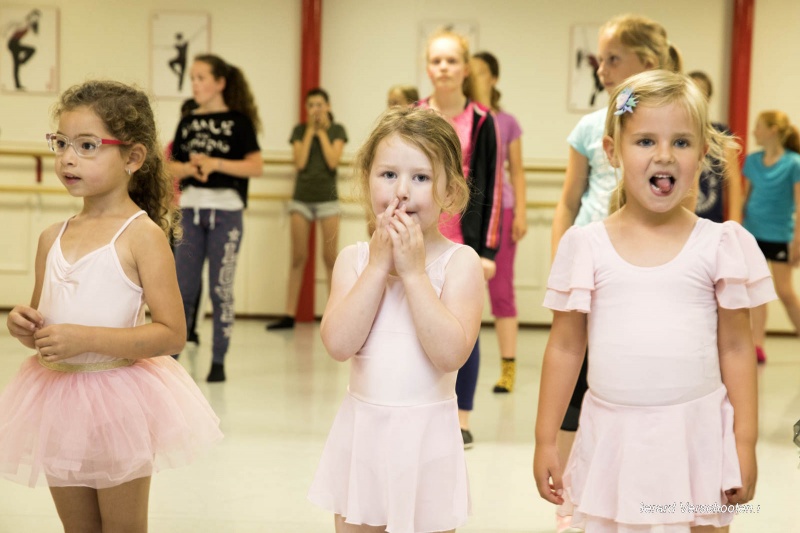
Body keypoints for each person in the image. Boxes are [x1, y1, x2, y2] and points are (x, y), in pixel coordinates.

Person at [534, 69, 775, 533]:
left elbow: (737, 348)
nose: (664, 155)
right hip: (612, 439)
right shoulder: (586, 245)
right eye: (645, 141)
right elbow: (565, 347)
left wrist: (744, 443)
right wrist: (546, 438)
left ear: (703, 155)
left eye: (681, 143)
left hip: (698, 438)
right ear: (612, 151)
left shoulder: (721, 244)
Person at [0, 80, 223, 532]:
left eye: (87, 145)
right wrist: (24, 324)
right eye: (61, 143)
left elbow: (172, 333)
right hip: (56, 398)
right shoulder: (51, 238)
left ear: (133, 158)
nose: (67, 158)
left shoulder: (143, 236)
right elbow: (46, 322)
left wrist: (85, 338)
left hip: (117, 400)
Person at [308, 106, 482, 533]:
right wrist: (376, 268)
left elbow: (450, 355)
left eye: (421, 178)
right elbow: (338, 344)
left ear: (450, 192)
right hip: (363, 436)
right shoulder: (354, 260)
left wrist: (413, 273)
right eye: (388, 175)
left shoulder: (461, 263)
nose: (401, 191)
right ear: (367, 180)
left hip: (427, 442)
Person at [549, 15, 682, 528]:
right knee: (576, 373)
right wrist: (563, 261)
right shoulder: (588, 127)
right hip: (591, 264)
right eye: (600, 59)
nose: (602, 69)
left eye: (612, 58)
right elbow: (568, 199)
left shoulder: (670, 125)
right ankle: (569, 496)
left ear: (646, 62)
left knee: (630, 376)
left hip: (645, 266)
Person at [417, 28, 502, 448]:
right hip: (418, 238)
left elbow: (490, 184)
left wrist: (486, 250)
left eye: (452, 61)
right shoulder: (414, 115)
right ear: (427, 67)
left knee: (462, 328)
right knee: (416, 321)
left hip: (461, 243)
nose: (444, 68)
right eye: (437, 60)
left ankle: (461, 415)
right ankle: (419, 402)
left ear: (465, 69)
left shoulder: (483, 121)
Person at [169, 54, 263, 382]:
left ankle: (218, 360)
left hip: (226, 213)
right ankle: (171, 358)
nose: (194, 84)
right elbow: (170, 165)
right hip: (191, 211)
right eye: (192, 78)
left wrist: (216, 164)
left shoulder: (239, 122)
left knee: (220, 289)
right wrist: (190, 168)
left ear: (220, 83)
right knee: (183, 288)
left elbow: (256, 166)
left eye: (201, 77)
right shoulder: (188, 121)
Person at [469, 50, 527, 393]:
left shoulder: (507, 122)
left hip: (501, 212)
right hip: (465, 213)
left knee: (501, 290)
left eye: (478, 72)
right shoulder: (464, 116)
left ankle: (508, 369)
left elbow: (516, 171)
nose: (472, 77)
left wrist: (520, 212)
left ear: (493, 77)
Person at [267, 88, 348, 331]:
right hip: (301, 199)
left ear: (328, 106)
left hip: (327, 200)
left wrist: (321, 133)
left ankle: (335, 313)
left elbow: (333, 161)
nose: (316, 109)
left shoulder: (337, 130)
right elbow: (300, 162)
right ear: (306, 108)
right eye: (311, 105)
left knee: (330, 257)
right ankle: (289, 315)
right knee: (298, 257)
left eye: (320, 104)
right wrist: (311, 131)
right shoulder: (299, 131)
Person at [741, 110, 800, 364]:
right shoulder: (752, 161)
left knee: (785, 291)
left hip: (779, 235)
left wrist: (797, 241)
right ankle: (757, 345)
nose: (754, 132)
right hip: (753, 233)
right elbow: (746, 198)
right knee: (757, 291)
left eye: (758, 127)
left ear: (773, 130)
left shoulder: (793, 163)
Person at [688, 70, 743, 223]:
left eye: (701, 93)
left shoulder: (720, 133)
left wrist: (734, 225)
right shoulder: (675, 131)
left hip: (711, 221)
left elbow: (733, 182)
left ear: (708, 98)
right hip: (681, 221)